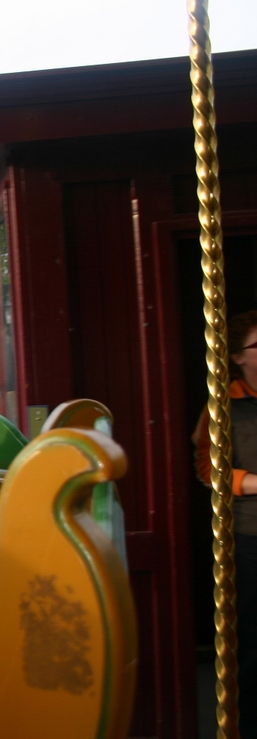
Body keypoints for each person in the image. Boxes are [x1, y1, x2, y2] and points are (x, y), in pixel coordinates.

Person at [193, 309, 257, 739]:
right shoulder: (223, 405)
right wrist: (251, 482)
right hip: (251, 536)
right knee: (250, 641)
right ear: (237, 357)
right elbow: (207, 467)